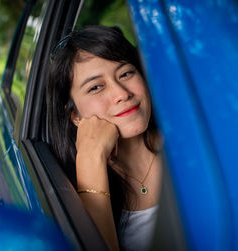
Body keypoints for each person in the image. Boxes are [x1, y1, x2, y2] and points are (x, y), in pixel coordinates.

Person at [47, 25, 162, 251]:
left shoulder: (191, 143)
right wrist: (90, 157)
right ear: (75, 116)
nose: (121, 93)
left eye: (126, 73)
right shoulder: (64, 186)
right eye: (96, 87)